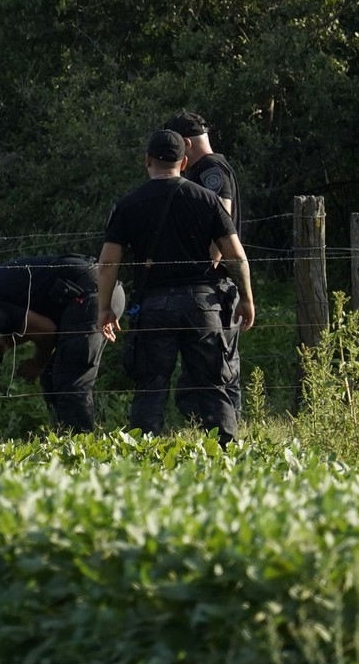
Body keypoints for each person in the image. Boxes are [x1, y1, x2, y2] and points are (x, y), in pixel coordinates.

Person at [98, 129, 256, 441]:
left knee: (151, 386)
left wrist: (105, 308)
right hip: (203, 305)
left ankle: (143, 458)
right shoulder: (208, 200)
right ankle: (227, 456)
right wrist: (247, 299)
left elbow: (107, 264)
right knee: (213, 385)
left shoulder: (127, 205)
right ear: (184, 163)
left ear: (147, 160)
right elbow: (236, 256)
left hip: (154, 306)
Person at [0, 255, 122, 432]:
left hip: (93, 295)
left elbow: (46, 330)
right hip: (102, 289)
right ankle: (67, 439)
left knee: (70, 379)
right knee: (53, 376)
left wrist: (37, 363)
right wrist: (6, 342)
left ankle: (82, 449)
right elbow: (35, 324)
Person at [164, 110, 243, 421]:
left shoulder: (210, 168)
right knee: (203, 368)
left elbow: (219, 220)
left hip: (216, 283)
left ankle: (229, 430)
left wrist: (207, 267)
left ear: (185, 143)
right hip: (212, 283)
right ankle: (206, 430)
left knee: (221, 364)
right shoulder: (213, 165)